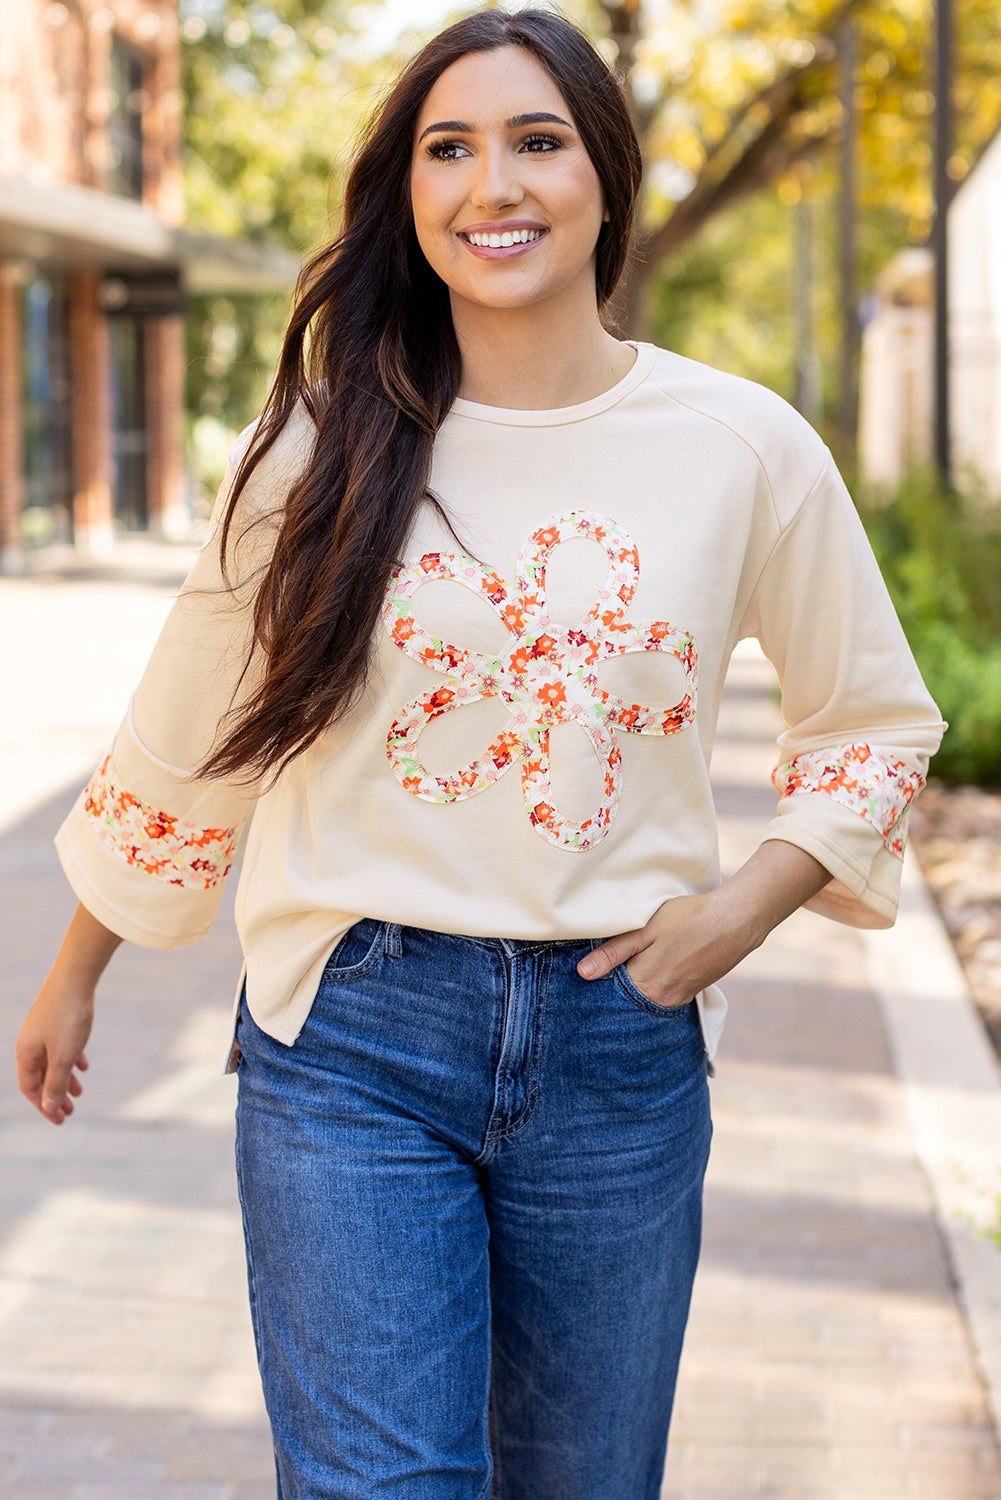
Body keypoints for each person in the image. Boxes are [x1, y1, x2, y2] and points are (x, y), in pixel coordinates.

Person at [16, 8, 945, 1497]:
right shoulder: (319, 448)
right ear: (407, 193)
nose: (489, 185)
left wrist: (740, 909)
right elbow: (187, 729)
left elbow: (874, 718)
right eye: (448, 148)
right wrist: (75, 973)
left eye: (535, 141)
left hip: (619, 1043)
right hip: (354, 1042)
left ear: (602, 178)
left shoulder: (740, 445)